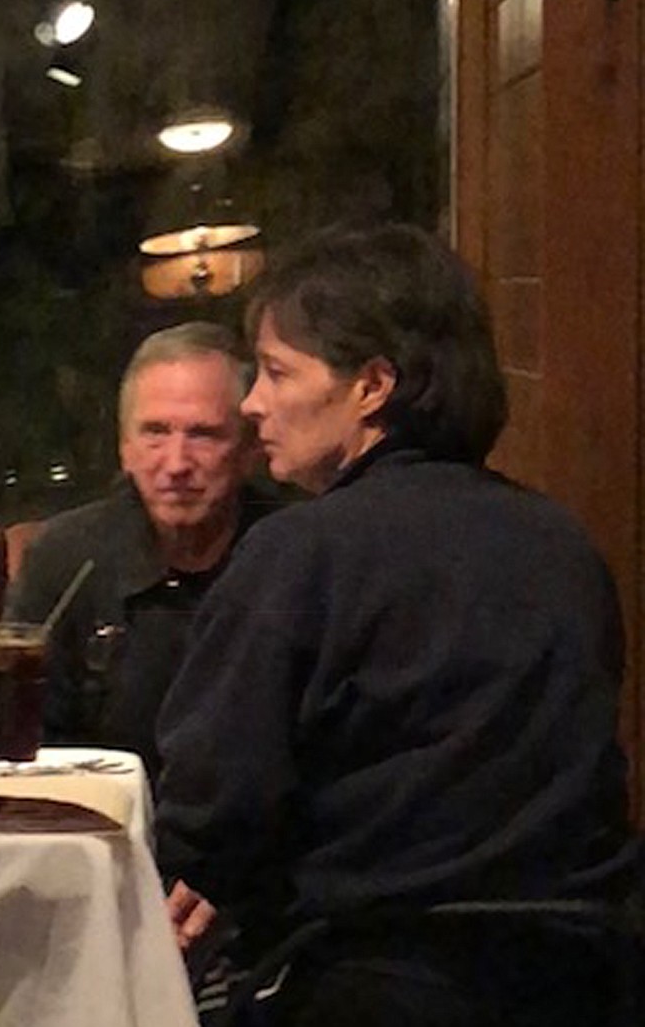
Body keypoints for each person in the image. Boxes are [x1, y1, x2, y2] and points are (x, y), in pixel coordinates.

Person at [155, 223, 642, 1026]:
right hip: (587, 981)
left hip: (371, 983)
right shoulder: (564, 543)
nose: (252, 403)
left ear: (372, 386)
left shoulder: (300, 551)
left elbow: (211, 813)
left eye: (277, 372)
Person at [5, 321, 284, 782]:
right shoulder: (65, 556)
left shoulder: (292, 553)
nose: (176, 463)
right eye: (155, 432)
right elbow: (34, 746)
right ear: (124, 448)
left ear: (249, 448)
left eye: (204, 435)